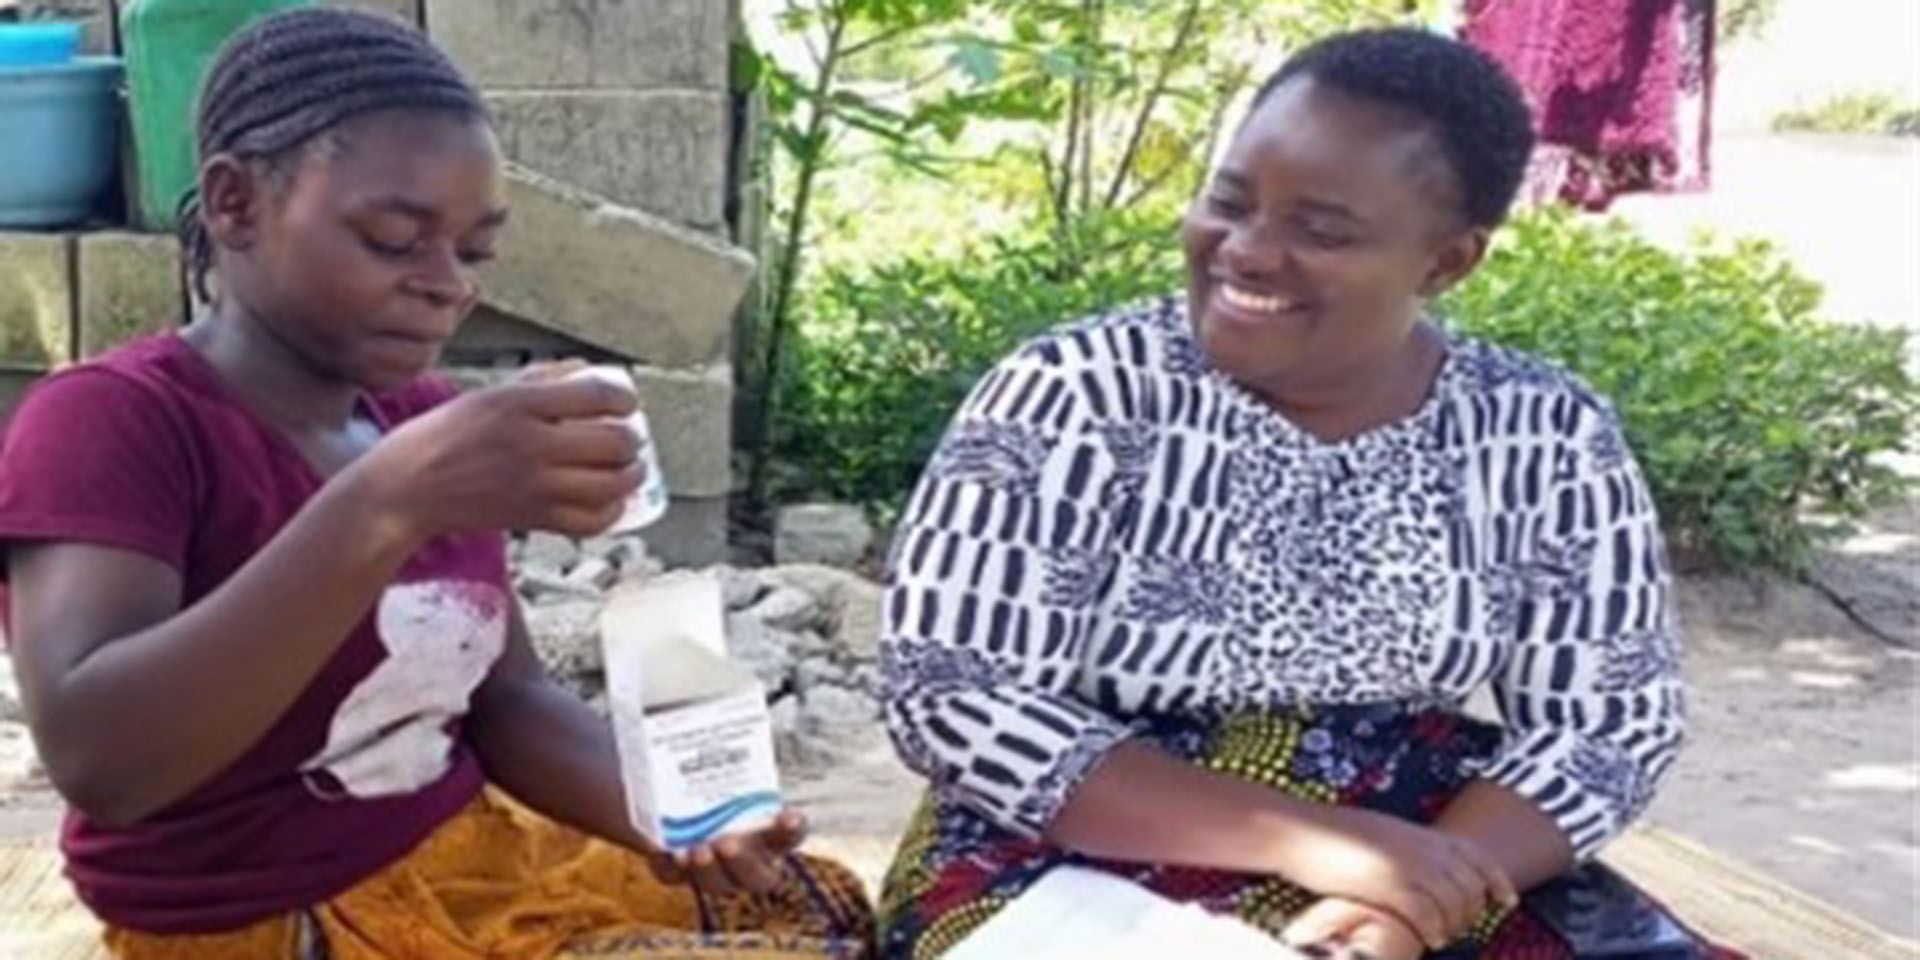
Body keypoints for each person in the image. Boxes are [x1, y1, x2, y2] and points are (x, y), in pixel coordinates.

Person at [0, 9, 869, 959]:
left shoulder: (416, 417)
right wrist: (386, 502)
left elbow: (508, 701)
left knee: (822, 911)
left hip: (467, 862)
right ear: (235, 203)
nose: (449, 285)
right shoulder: (115, 421)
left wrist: (677, 810)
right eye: (393, 238)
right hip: (273, 920)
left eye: (475, 252)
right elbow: (103, 761)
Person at [875, 27, 1733, 960]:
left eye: (1320, 231)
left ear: (1447, 262)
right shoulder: (1076, 394)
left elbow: (1606, 723)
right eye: (1229, 201)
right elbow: (954, 695)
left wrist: (1420, 891)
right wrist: (1319, 844)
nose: (1245, 250)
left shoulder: (1545, 434)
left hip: (1428, 841)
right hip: (1066, 850)